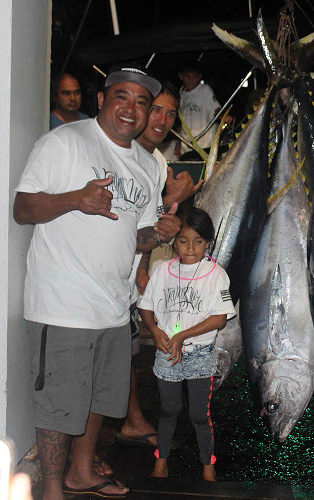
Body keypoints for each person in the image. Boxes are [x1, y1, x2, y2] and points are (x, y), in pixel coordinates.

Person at [13, 65, 181, 500]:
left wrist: (158, 233)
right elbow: (23, 208)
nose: (132, 108)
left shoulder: (147, 165)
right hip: (62, 301)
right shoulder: (64, 142)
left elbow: (135, 237)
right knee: (58, 404)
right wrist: (75, 199)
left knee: (96, 398)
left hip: (113, 304)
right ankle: (51, 488)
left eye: (142, 102)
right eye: (122, 97)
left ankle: (81, 472)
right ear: (102, 100)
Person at [116, 81, 203, 450]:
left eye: (171, 114)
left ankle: (130, 420)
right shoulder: (122, 151)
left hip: (129, 270)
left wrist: (143, 267)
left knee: (127, 352)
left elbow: (154, 225)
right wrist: (173, 198)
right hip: (110, 271)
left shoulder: (158, 162)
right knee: (118, 353)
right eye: (157, 110)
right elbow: (127, 218)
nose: (163, 120)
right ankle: (129, 421)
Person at [138, 206, 236, 481]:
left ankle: (208, 465)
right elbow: (145, 306)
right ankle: (161, 460)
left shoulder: (216, 274)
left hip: (200, 355)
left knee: (199, 415)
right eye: (183, 241)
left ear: (208, 243)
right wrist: (155, 330)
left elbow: (219, 318)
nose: (190, 248)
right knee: (169, 409)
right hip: (167, 352)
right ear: (174, 242)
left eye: (198, 241)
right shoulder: (162, 271)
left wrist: (182, 335)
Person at [174, 64, 221, 157]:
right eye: (188, 76)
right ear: (181, 76)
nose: (191, 79)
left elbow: (217, 110)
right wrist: (179, 142)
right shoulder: (180, 95)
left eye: (194, 76)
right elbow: (182, 122)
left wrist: (225, 117)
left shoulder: (205, 90)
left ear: (199, 77)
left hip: (205, 145)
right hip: (186, 146)